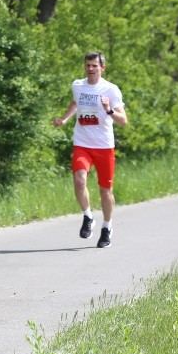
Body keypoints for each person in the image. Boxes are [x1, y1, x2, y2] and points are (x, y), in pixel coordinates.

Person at [53, 52, 128, 248]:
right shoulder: (77, 85)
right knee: (79, 179)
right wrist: (65, 118)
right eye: (88, 65)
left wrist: (108, 110)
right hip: (82, 143)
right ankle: (88, 216)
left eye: (95, 65)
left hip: (104, 146)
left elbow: (123, 121)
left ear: (102, 68)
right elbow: (76, 102)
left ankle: (107, 227)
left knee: (105, 191)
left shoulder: (111, 90)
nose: (91, 69)